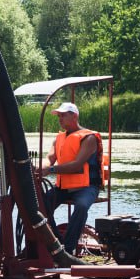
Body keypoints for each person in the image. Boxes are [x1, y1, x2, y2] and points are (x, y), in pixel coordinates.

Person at [41, 101, 103, 254]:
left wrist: (51, 169)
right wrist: (42, 166)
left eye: (63, 115)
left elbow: (77, 165)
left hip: (86, 187)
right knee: (41, 205)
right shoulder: (59, 138)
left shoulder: (89, 138)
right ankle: (56, 241)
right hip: (63, 187)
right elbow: (49, 157)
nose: (60, 119)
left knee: (81, 207)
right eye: (59, 116)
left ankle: (68, 248)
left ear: (74, 116)